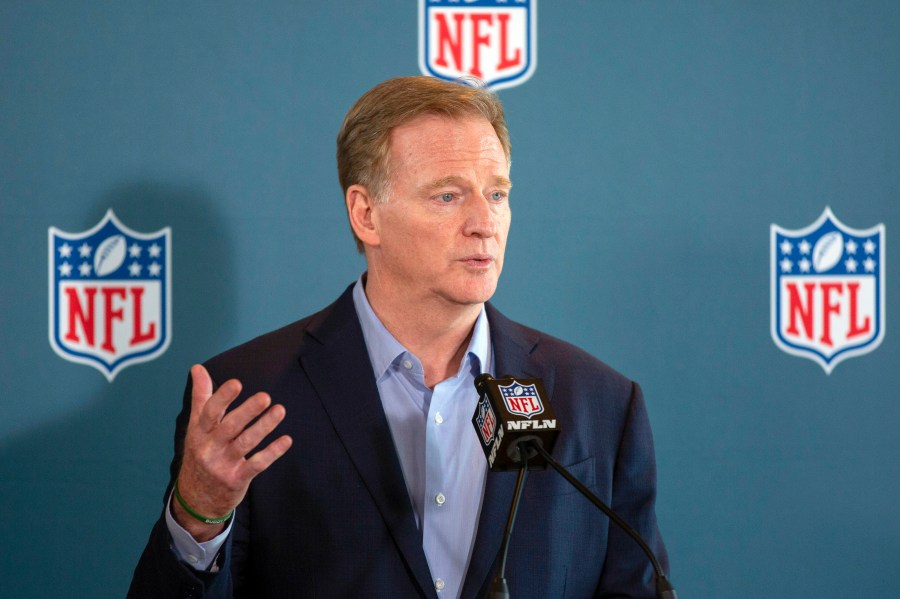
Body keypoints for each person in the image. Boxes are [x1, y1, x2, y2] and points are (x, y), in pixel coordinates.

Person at [129, 76, 669, 598]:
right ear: (366, 215)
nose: (485, 222)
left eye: (497, 193)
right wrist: (197, 518)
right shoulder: (249, 397)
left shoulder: (598, 401)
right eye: (448, 196)